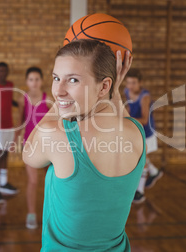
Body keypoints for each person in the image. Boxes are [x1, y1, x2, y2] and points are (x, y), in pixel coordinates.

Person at [23, 39, 146, 251]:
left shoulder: (57, 135)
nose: (58, 90)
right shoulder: (136, 132)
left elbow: (28, 154)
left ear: (104, 85)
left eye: (72, 80)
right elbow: (114, 111)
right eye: (56, 78)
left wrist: (60, 106)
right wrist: (110, 87)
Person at [15, 67, 53, 229]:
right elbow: (20, 122)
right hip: (29, 145)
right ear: (26, 82)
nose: (34, 82)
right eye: (31, 79)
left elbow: (57, 122)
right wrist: (14, 140)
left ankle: (51, 212)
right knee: (32, 181)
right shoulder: (23, 99)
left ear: (42, 81)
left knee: (51, 180)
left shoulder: (49, 99)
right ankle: (31, 213)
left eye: (37, 79)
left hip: (47, 145)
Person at [124, 69, 163, 204]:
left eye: (134, 83)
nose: (130, 86)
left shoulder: (144, 96)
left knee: (142, 159)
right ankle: (154, 171)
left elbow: (145, 119)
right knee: (140, 157)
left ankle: (139, 192)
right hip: (136, 130)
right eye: (128, 82)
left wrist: (126, 120)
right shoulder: (127, 92)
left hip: (146, 132)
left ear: (140, 83)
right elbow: (129, 108)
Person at [0, 62, 19, 204]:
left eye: (5, 70)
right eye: (0, 70)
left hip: (9, 125)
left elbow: (7, 100)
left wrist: (18, 104)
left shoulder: (10, 84)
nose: (3, 73)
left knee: (5, 154)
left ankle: (4, 182)